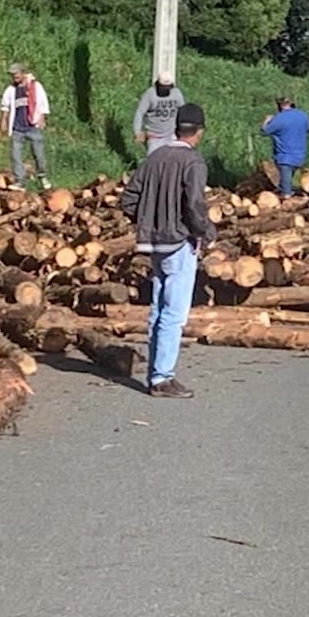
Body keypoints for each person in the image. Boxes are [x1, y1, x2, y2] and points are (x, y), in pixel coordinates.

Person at [118, 103, 215, 398]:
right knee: (174, 312)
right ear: (198, 132)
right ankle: (162, 377)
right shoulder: (193, 162)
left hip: (153, 242)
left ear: (176, 127)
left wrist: (145, 221)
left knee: (158, 308)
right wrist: (206, 232)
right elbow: (194, 206)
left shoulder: (155, 156)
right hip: (179, 242)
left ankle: (155, 372)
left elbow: (129, 199)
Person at [0, 63, 52, 190]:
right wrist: (3, 120)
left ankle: (42, 176)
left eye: (16, 74)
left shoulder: (35, 86)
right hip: (17, 128)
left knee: (38, 154)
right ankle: (20, 181)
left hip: (32, 126)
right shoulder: (11, 90)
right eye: (12, 75)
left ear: (23, 73)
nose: (14, 77)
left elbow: (43, 102)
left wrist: (42, 117)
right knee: (15, 155)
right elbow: (5, 106)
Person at [259, 97, 309, 197]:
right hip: (300, 155)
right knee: (286, 182)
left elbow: (263, 131)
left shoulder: (279, 119)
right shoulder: (302, 115)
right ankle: (285, 191)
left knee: (286, 191)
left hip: (284, 158)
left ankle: (286, 201)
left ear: (279, 106)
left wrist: (266, 121)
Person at [132, 70, 187, 154]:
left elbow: (183, 111)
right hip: (154, 136)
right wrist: (137, 132)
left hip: (172, 134)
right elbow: (140, 112)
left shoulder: (176, 94)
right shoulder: (150, 95)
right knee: (154, 162)